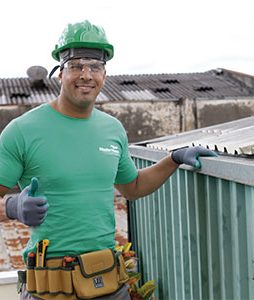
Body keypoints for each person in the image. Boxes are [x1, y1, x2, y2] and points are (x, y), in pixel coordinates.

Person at [0, 20, 217, 300]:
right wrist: (14, 206)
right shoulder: (23, 130)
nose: (86, 75)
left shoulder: (112, 129)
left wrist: (173, 159)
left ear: (104, 74)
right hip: (49, 290)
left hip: (108, 284)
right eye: (76, 65)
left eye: (95, 66)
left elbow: (134, 186)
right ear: (60, 73)